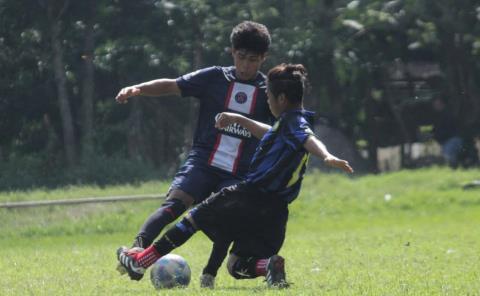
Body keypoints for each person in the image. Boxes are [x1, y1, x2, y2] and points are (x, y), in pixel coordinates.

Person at [117, 64, 354, 288]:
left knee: (192, 221)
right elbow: (270, 133)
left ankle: (140, 262)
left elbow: (308, 139)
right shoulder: (288, 123)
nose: (268, 102)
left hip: (248, 195)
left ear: (281, 99)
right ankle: (267, 266)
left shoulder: (296, 125)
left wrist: (326, 156)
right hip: (276, 211)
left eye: (269, 98)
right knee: (237, 264)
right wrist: (238, 118)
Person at [114, 21, 274, 286]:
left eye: (253, 60)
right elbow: (172, 85)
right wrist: (139, 89)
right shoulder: (215, 77)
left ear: (264, 58)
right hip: (203, 161)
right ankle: (137, 251)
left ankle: (209, 273)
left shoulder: (269, 90)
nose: (246, 65)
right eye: (241, 58)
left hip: (240, 172)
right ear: (232, 52)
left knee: (224, 222)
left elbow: (277, 130)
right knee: (174, 204)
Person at [431, 97, 463, 167]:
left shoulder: (447, 115)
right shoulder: (438, 115)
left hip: (452, 140)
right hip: (448, 141)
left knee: (449, 156)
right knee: (449, 156)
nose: (436, 106)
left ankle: (454, 170)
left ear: (443, 104)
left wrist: (437, 135)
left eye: (438, 104)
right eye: (435, 104)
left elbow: (446, 129)